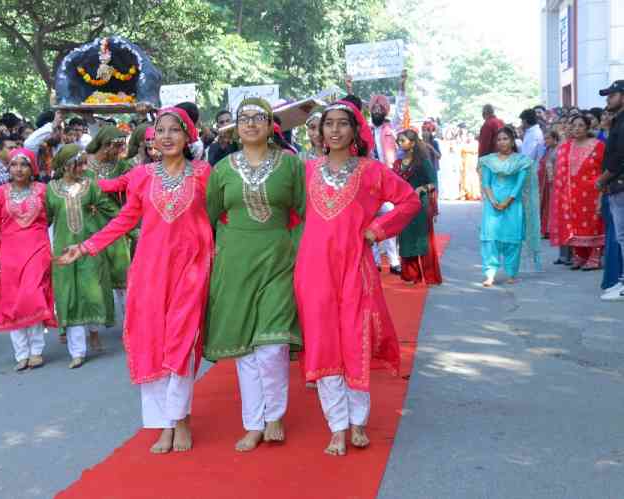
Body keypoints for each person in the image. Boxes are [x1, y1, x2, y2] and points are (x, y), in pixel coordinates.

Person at [55, 107, 213, 454]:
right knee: (151, 343)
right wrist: (85, 247)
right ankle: (163, 425)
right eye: (161, 130)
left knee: (182, 343)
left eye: (175, 130)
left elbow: (223, 216)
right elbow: (126, 219)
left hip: (191, 270)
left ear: (188, 136)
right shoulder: (142, 176)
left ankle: (181, 418)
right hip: (150, 271)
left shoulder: (204, 174)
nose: (167, 136)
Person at [294, 101, 419, 456]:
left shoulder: (371, 171)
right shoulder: (306, 171)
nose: (333, 130)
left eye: (342, 124)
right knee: (323, 342)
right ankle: (336, 426)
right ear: (319, 132)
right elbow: (285, 213)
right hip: (313, 269)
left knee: (354, 337)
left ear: (356, 131)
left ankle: (358, 420)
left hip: (355, 267)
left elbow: (409, 201)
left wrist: (377, 230)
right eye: (328, 124)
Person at [205, 98, 305, 452]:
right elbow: (211, 217)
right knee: (246, 348)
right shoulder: (222, 169)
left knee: (273, 345)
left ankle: (274, 415)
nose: (250, 124)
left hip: (279, 259)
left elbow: (305, 212)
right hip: (235, 262)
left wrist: (293, 247)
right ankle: (253, 423)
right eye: (243, 119)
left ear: (270, 124)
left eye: (257, 117)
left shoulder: (291, 166)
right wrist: (218, 253)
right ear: (234, 127)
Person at [0, 149, 56, 370]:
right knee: (12, 301)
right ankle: (21, 353)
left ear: (32, 168)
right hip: (9, 254)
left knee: (31, 296)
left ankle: (36, 350)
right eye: (14, 165)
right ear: (8, 168)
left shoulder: (43, 191)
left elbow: (52, 216)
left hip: (37, 250)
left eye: (24, 164)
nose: (19, 169)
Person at [46, 144, 117, 367]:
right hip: (63, 250)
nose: (83, 167)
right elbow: (43, 220)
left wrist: (133, 228)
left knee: (91, 288)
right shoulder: (51, 189)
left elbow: (112, 211)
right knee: (69, 293)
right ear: (67, 164)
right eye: (79, 163)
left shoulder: (90, 186)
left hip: (88, 247)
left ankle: (94, 331)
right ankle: (77, 351)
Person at [479, 127, 537, 287]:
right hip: (492, 204)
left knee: (512, 240)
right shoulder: (488, 160)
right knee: (490, 238)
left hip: (513, 204)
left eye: (505, 139)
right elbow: (486, 183)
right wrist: (493, 201)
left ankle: (511, 272)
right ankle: (489, 274)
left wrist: (507, 201)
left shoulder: (521, 161)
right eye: (498, 139)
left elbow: (519, 184)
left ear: (512, 141)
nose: (502, 142)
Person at [551, 115, 605, 270]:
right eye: (574, 125)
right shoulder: (566, 146)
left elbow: (603, 168)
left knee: (593, 224)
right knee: (574, 225)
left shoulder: (598, 145)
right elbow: (559, 171)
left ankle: (594, 257)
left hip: (592, 192)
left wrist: (601, 188)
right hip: (571, 193)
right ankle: (580, 255)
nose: (577, 128)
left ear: (588, 127)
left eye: (581, 125)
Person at [367, 71, 407, 275]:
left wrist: (402, 86)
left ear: (384, 111)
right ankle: (374, 262)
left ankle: (393, 261)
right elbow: (351, 111)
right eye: (374, 107)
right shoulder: (364, 129)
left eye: (380, 107)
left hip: (387, 181)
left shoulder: (391, 128)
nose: (376, 110)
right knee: (368, 221)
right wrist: (348, 89)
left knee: (389, 220)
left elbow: (401, 111)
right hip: (367, 183)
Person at [84, 125, 132, 293]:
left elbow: (129, 194)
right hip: (88, 221)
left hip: (115, 220)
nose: (121, 151)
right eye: (118, 146)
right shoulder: (83, 163)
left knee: (119, 270)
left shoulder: (122, 166)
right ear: (106, 145)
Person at [394, 129, 442, 285]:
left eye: (402, 141)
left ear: (413, 143)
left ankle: (429, 275)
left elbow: (434, 182)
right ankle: (411, 274)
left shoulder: (423, 162)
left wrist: (422, 189)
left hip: (420, 205)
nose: (399, 144)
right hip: (403, 206)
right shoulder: (398, 163)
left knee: (423, 239)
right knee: (406, 238)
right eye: (398, 141)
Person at [595, 80, 624, 301]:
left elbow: (620, 158)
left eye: (612, 95)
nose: (608, 99)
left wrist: (603, 179)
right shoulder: (618, 121)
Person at [539, 130, 560, 239]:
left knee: (552, 206)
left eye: (548, 138)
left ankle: (551, 231)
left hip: (554, 182)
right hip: (545, 183)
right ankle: (546, 230)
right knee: (546, 206)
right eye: (545, 138)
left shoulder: (558, 150)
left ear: (555, 139)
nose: (545, 141)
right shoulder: (548, 150)